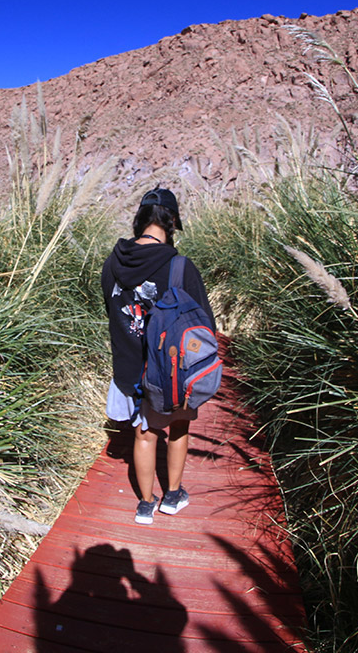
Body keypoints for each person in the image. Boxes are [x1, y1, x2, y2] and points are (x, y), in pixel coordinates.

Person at [100, 187, 216, 525]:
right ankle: (173, 495)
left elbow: (110, 307)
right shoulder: (179, 266)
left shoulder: (113, 261)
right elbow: (203, 324)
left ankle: (145, 504)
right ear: (173, 221)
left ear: (140, 220)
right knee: (178, 426)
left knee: (143, 433)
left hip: (128, 366)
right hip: (169, 370)